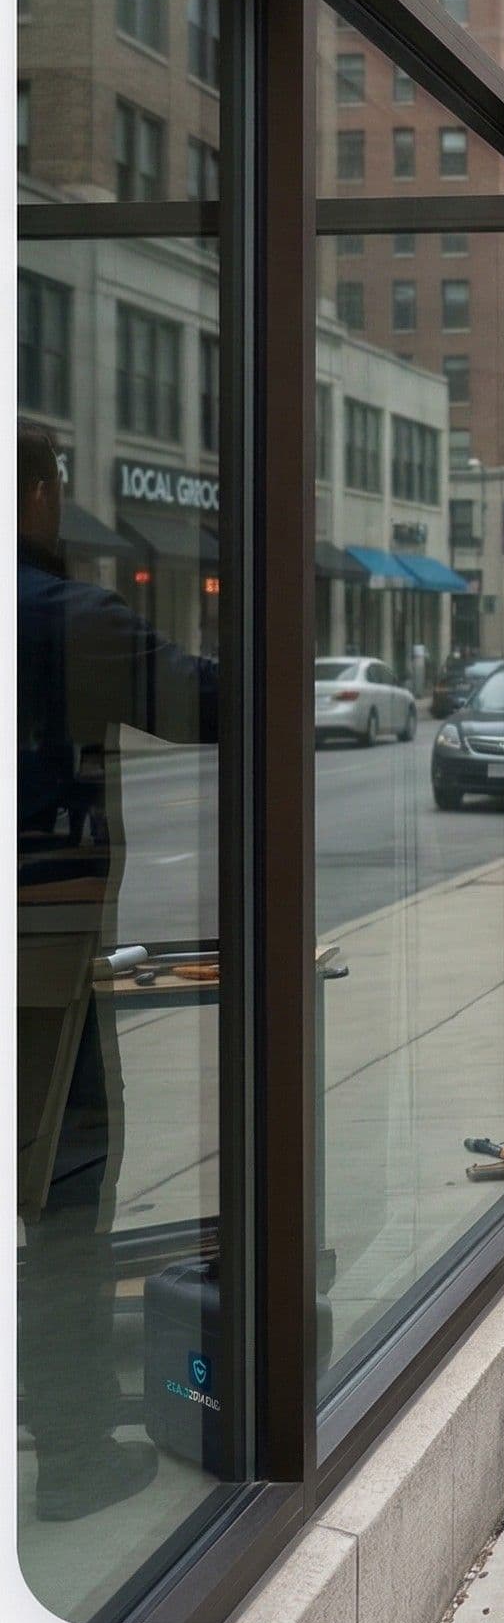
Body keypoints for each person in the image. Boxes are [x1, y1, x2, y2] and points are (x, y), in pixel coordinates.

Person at [17, 425, 221, 1520]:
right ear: (43, 497)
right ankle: (76, 1450)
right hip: (38, 960)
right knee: (60, 1199)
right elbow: (216, 701)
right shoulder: (62, 619)